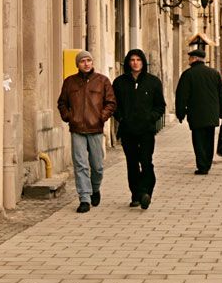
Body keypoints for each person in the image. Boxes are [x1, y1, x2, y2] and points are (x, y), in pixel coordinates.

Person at [57, 50, 118, 213]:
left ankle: (95, 188)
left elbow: (111, 102)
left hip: (95, 128)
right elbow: (62, 103)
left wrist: (101, 117)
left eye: (88, 60)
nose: (86, 63)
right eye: (82, 61)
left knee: (97, 166)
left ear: (92, 63)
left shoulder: (102, 81)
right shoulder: (69, 82)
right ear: (77, 64)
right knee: (80, 165)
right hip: (77, 129)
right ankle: (84, 198)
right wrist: (69, 116)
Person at [112, 48, 166, 210]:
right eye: (132, 60)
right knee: (132, 163)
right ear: (128, 62)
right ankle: (135, 194)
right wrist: (122, 118)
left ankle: (145, 193)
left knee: (146, 161)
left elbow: (160, 105)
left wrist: (151, 118)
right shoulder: (120, 82)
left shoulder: (153, 82)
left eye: (139, 60)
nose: (135, 63)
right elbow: (114, 105)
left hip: (146, 130)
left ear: (143, 62)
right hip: (128, 130)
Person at [176, 44, 222, 175]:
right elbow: (221, 94)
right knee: (209, 139)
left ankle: (202, 165)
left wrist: (180, 113)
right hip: (211, 114)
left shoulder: (188, 74)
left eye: (190, 58)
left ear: (194, 59)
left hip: (196, 114)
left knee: (198, 140)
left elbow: (182, 96)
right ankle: (207, 164)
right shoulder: (214, 73)